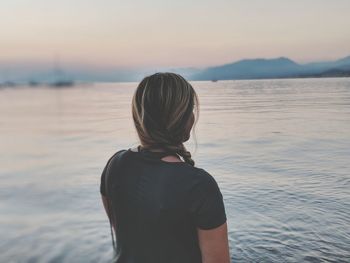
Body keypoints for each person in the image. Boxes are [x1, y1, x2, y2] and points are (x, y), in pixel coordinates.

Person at [100, 72, 230, 263]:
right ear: (180, 117)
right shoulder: (198, 184)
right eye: (190, 109)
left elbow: (125, 233)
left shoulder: (115, 164)